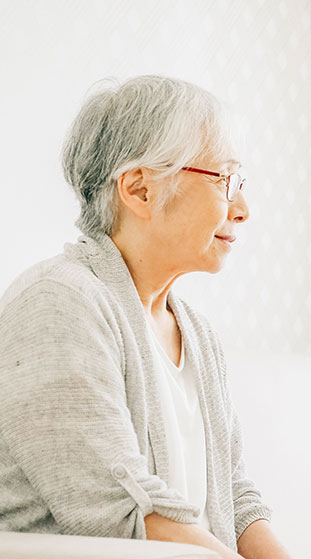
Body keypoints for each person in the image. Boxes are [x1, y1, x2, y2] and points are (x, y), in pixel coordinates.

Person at [0, 75, 290, 559]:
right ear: (139, 190)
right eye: (226, 180)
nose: (243, 208)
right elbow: (122, 515)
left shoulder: (196, 332)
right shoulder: (57, 303)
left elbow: (236, 502)